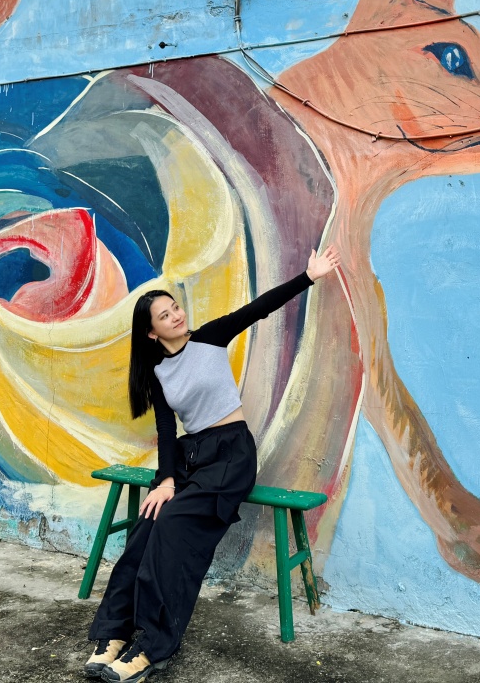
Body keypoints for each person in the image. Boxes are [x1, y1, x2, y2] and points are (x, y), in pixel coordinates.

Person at [84, 245, 341, 682]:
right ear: (151, 333)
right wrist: (165, 480)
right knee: (148, 525)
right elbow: (168, 432)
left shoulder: (209, 338)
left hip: (231, 455)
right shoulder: (157, 375)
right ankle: (112, 633)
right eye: (164, 316)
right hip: (190, 457)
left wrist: (309, 276)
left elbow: (258, 308)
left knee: (172, 529)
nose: (175, 317)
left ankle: (151, 645)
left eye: (175, 308)